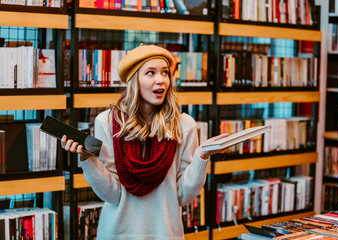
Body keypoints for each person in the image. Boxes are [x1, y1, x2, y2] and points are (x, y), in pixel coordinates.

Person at [61, 44, 229, 240]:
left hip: (165, 234)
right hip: (117, 234)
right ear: (134, 80)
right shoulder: (106, 122)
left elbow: (182, 195)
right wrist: (87, 159)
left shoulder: (184, 125)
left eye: (165, 73)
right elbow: (113, 194)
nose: (161, 80)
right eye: (150, 73)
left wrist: (202, 155)